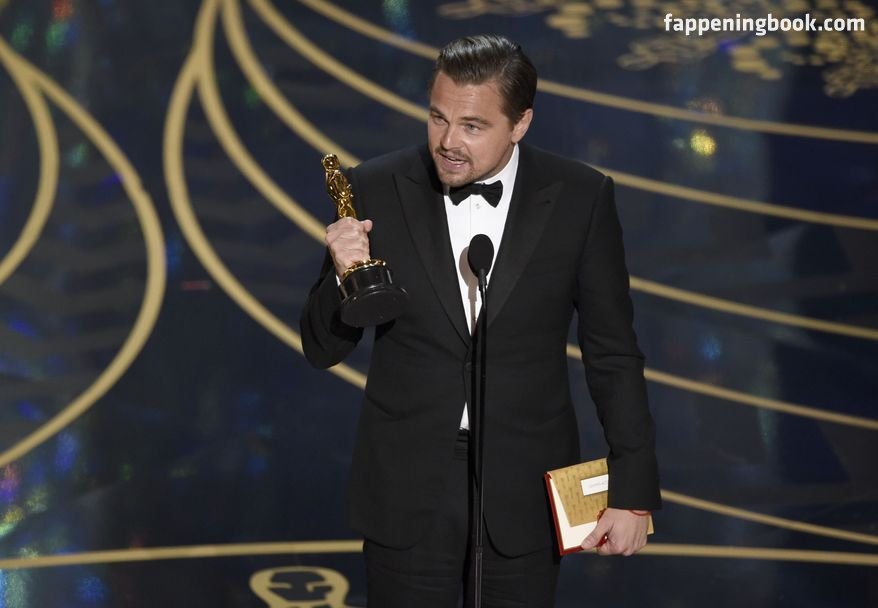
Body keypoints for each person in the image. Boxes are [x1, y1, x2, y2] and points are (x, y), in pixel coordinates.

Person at [300, 34, 660, 608]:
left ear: (520, 124)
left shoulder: (580, 197)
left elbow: (612, 352)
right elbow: (322, 349)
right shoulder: (375, 187)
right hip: (407, 487)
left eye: (472, 126)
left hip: (526, 488)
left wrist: (632, 492)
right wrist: (341, 276)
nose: (448, 142)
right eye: (437, 118)